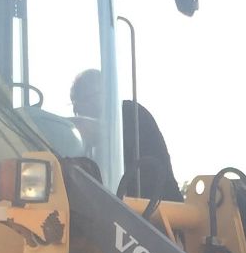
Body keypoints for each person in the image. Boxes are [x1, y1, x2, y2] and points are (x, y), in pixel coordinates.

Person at [69, 70, 180, 202]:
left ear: (105, 94)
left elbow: (104, 133)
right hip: (121, 210)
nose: (77, 109)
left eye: (83, 100)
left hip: (158, 211)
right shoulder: (89, 145)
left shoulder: (129, 113)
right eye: (74, 103)